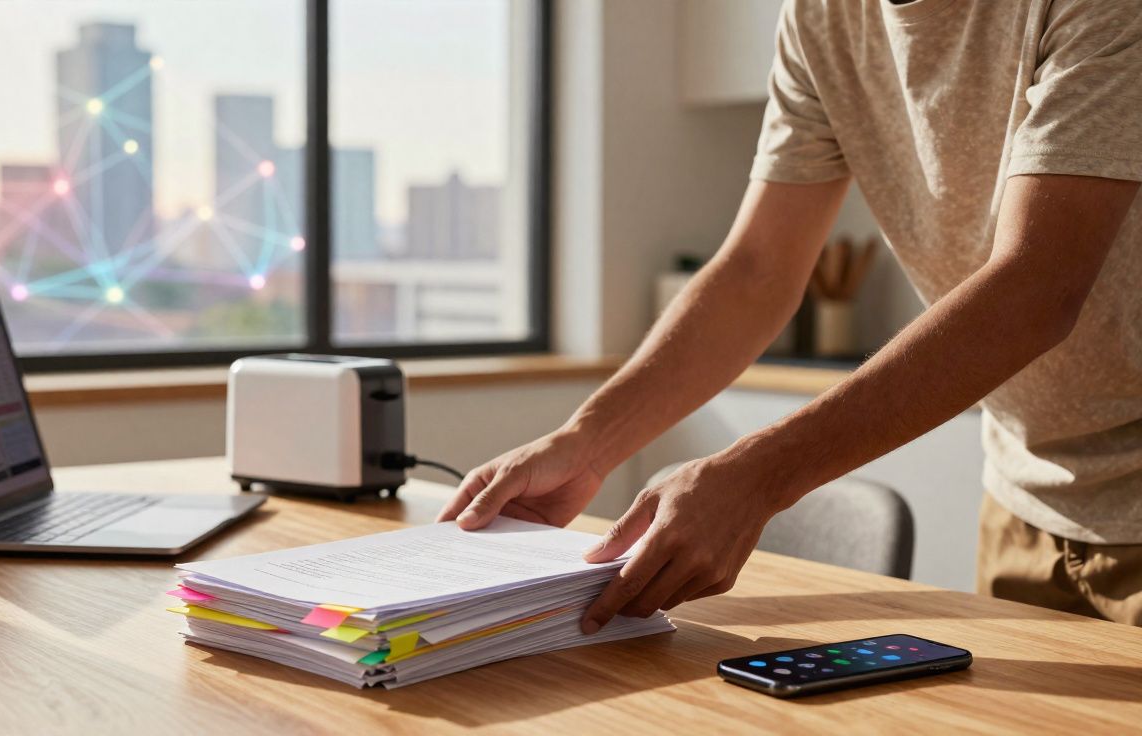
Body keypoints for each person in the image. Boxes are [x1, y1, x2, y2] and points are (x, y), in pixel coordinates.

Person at [437, 0, 1142, 628]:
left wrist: (756, 477)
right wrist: (585, 444)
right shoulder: (822, 17)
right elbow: (756, 271)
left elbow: (1036, 289)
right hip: (1025, 497)